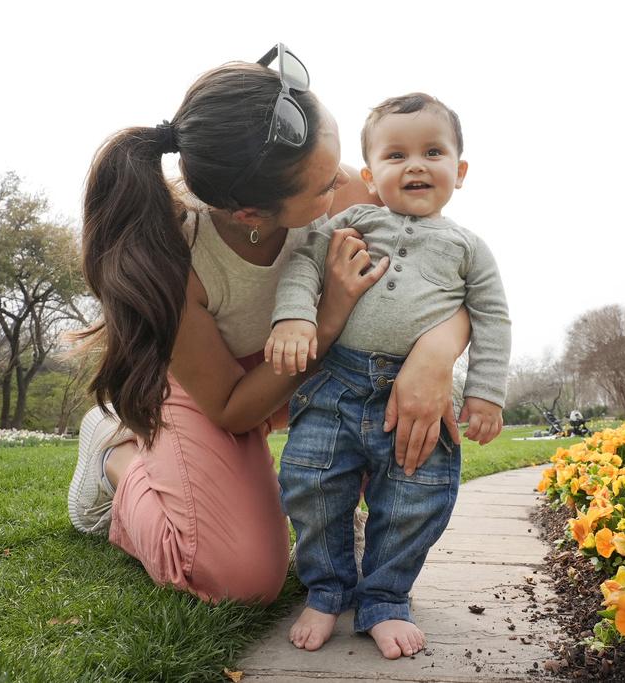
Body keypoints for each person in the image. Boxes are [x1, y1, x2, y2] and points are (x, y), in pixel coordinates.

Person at [66, 44, 470, 660]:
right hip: (217, 392)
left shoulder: (343, 185)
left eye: (340, 167)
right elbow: (233, 409)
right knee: (241, 578)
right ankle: (118, 459)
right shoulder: (175, 258)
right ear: (251, 213)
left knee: (415, 413)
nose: (350, 186)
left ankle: (336, 502)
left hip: (318, 374)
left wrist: (435, 356)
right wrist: (328, 320)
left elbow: (449, 274)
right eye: (325, 186)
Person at [265, 93, 511, 658]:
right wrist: (295, 316)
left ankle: (383, 598)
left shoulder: (469, 248)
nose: (416, 165)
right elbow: (303, 261)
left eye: (433, 152)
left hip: (414, 397)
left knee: (413, 500)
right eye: (396, 155)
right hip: (337, 384)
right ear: (371, 176)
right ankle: (327, 590)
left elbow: (492, 317)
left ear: (460, 171)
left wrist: (485, 393)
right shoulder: (353, 220)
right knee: (311, 484)